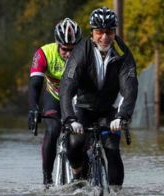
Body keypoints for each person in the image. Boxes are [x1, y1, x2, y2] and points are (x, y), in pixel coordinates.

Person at [59, 7, 138, 186]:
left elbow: (130, 88)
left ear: (115, 32)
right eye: (99, 32)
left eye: (109, 32)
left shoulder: (123, 54)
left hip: (109, 110)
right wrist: (70, 119)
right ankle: (78, 173)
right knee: (76, 142)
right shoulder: (80, 51)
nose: (104, 37)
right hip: (83, 107)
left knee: (112, 150)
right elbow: (67, 87)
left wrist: (122, 115)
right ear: (92, 32)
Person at [28, 18, 82, 186]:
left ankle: (82, 171)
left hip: (77, 97)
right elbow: (35, 84)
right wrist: (33, 108)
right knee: (53, 130)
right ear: (58, 44)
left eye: (73, 50)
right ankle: (47, 179)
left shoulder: (86, 53)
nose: (69, 54)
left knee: (83, 135)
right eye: (65, 49)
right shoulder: (44, 53)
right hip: (55, 97)